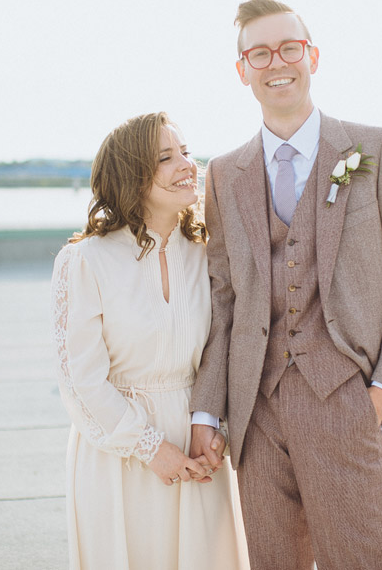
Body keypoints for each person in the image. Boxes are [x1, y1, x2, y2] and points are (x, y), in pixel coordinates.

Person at [189, 0, 382, 569]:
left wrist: (381, 392)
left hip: (346, 400)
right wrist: (207, 411)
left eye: (289, 47)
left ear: (313, 56)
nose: (277, 61)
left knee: (360, 561)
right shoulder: (225, 172)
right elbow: (222, 298)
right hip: (254, 409)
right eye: (260, 52)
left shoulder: (374, 148)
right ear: (242, 69)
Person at [50, 112, 248, 569]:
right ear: (131, 177)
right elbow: (80, 382)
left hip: (201, 446)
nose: (187, 165)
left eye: (186, 152)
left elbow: (227, 350)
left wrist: (215, 427)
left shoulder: (207, 253)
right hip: (119, 454)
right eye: (166, 157)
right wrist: (152, 449)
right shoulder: (84, 261)